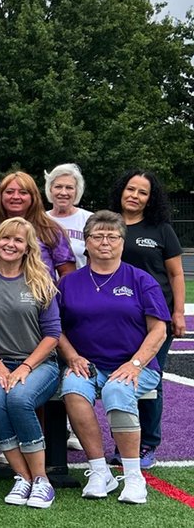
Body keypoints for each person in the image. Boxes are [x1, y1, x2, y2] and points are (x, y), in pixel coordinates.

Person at [59, 210, 168, 504]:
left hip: (134, 366)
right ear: (87, 242)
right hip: (88, 365)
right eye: (97, 235)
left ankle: (133, 477)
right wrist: (72, 357)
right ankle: (99, 471)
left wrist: (135, 364)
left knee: (117, 390)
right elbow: (55, 329)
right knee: (72, 391)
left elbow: (158, 329)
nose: (105, 241)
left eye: (112, 235)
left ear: (122, 241)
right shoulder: (69, 283)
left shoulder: (141, 280)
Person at [0, 218, 61, 509]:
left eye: (18, 240)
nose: (10, 244)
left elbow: (52, 336)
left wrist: (25, 367)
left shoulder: (41, 280)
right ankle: (22, 477)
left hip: (38, 363)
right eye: (5, 238)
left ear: (27, 248)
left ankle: (41, 480)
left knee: (20, 399)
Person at [108, 171, 186, 467]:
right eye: (131, 189)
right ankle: (123, 442)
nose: (135, 196)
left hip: (154, 319)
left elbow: (176, 273)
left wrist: (177, 312)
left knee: (150, 380)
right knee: (119, 377)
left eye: (143, 192)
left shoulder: (160, 229)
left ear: (150, 199)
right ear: (121, 191)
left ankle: (148, 444)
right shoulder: (109, 224)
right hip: (116, 319)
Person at [0, 172, 75, 280]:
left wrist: (53, 294)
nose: (15, 197)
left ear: (33, 197)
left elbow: (68, 273)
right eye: (9, 192)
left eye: (23, 192)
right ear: (0, 196)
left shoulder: (50, 230)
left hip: (40, 294)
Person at [45, 164, 93, 268]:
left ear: (77, 191)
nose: (63, 192)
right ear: (50, 189)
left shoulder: (90, 220)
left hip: (81, 283)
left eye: (69, 188)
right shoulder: (39, 220)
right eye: (58, 187)